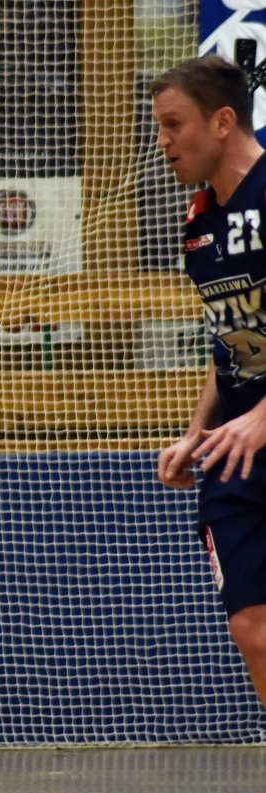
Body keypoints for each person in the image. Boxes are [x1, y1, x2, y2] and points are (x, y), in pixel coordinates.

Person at [154, 55, 266, 707]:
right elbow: (228, 339)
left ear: (223, 121)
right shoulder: (198, 222)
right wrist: (199, 430)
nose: (162, 141)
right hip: (237, 451)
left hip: (258, 427)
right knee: (251, 627)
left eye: (174, 124)